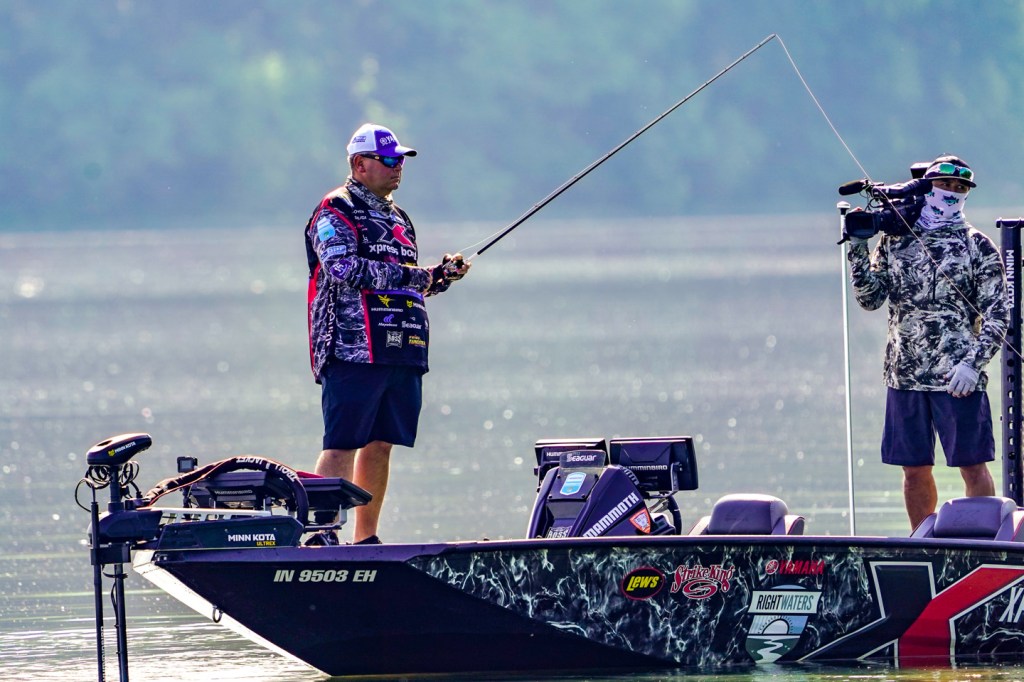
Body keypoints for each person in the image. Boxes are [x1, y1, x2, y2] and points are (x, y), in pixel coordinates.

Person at [303, 123, 470, 544]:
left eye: (401, 160)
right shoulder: (335, 209)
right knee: (342, 442)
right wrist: (418, 275)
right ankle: (323, 535)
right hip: (352, 348)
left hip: (402, 348)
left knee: (381, 444)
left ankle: (366, 539)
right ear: (360, 165)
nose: (398, 167)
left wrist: (441, 277)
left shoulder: (399, 218)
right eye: (389, 159)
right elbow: (343, 268)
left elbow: (409, 282)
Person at [846, 155, 1010, 531]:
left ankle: (979, 542)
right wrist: (857, 246)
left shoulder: (977, 246)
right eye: (944, 185)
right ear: (926, 188)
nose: (952, 192)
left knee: (972, 466)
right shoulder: (895, 239)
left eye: (960, 188)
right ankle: (923, 542)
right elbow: (869, 299)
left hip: (957, 377)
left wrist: (973, 365)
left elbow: (998, 315)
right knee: (913, 470)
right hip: (905, 374)